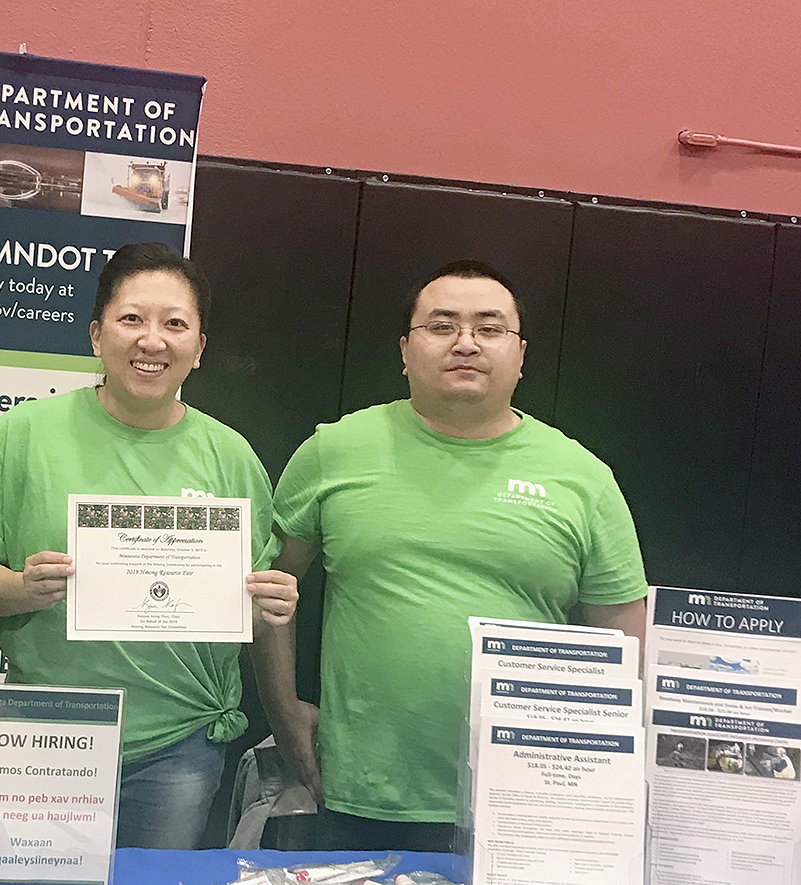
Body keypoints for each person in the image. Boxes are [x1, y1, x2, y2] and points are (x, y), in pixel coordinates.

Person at [271, 259, 648, 852]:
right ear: (405, 349)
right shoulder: (334, 450)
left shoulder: (582, 477)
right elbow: (271, 591)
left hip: (529, 797)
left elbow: (624, 638)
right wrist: (284, 710)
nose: (466, 343)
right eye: (441, 326)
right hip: (363, 789)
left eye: (490, 328)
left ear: (521, 355)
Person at [0, 242, 301, 849]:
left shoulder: (230, 455)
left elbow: (248, 602)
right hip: (45, 737)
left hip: (177, 744)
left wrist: (265, 602)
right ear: (97, 336)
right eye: (131, 319)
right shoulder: (25, 436)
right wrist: (20, 589)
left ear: (199, 348)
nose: (153, 340)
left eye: (175, 324)